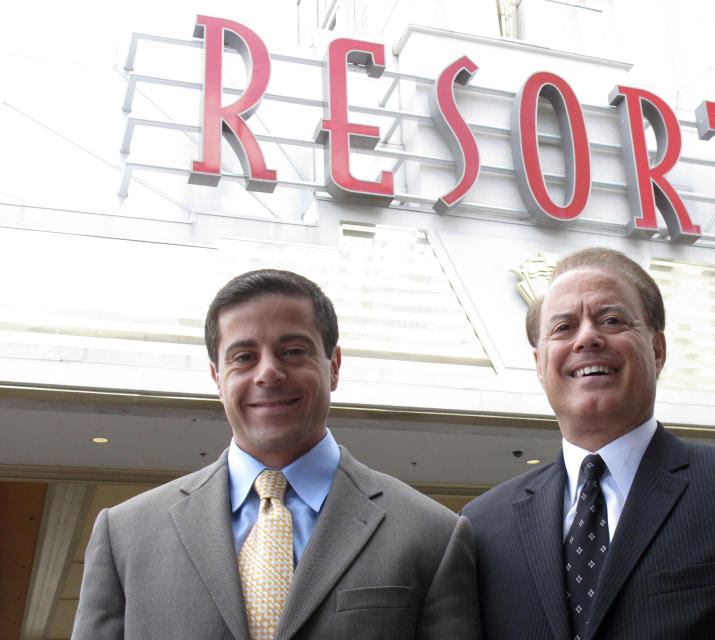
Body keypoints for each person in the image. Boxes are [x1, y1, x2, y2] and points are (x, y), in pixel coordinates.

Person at [462, 247, 715, 639]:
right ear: (538, 364)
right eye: (563, 327)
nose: (587, 339)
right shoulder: (482, 527)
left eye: (612, 320)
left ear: (657, 350)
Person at [73, 269, 481, 640]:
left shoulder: (433, 535)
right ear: (217, 377)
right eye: (244, 357)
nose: (268, 372)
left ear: (334, 366)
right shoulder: (125, 535)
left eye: (293, 351)